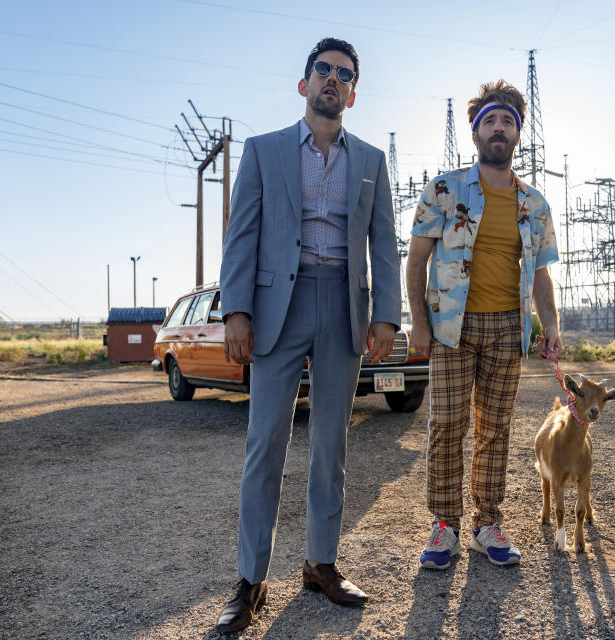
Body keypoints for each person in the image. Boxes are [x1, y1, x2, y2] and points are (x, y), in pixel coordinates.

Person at [215, 37, 401, 633]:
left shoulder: (371, 161)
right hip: (278, 308)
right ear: (304, 85)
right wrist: (235, 311)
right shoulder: (263, 152)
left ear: (353, 92)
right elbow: (240, 236)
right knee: (264, 445)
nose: (332, 80)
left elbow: (383, 245)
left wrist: (386, 316)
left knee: (331, 445)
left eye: (343, 74)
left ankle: (321, 564)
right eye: (322, 70)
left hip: (343, 305)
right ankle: (249, 580)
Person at [406, 80, 561, 570]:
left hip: (506, 330)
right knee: (447, 424)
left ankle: (486, 523)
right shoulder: (445, 190)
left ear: (518, 135)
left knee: (495, 429)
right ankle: (445, 525)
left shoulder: (533, 203)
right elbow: (415, 260)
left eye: (508, 121)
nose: (500, 128)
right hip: (451, 328)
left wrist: (549, 324)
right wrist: (418, 322)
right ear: (475, 133)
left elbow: (540, 275)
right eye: (491, 121)